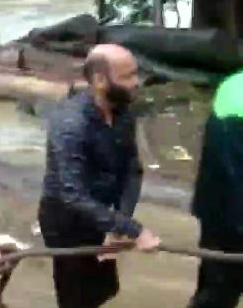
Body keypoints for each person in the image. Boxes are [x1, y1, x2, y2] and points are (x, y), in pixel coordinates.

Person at [38, 44, 161, 308]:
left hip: (103, 215)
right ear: (100, 80)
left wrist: (119, 223)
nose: (136, 82)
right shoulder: (70, 123)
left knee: (104, 290)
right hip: (67, 222)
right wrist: (134, 230)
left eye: (135, 73)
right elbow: (72, 194)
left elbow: (132, 169)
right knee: (75, 299)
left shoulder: (123, 111)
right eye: (127, 76)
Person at [188, 70, 243, 308]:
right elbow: (231, 175)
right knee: (217, 294)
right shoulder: (237, 93)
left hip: (225, 213)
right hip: (228, 221)